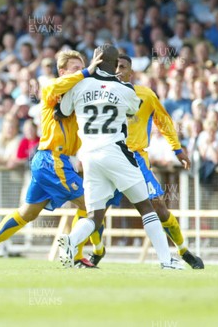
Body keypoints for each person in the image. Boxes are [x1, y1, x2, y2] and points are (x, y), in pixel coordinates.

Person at [0, 50, 103, 268]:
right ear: (62, 71)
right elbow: (58, 87)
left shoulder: (76, 97)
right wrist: (88, 72)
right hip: (52, 159)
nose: (80, 72)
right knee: (92, 206)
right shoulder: (51, 87)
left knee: (27, 213)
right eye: (75, 69)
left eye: (81, 68)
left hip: (51, 160)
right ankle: (78, 254)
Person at [57, 44, 183, 269]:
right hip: (115, 152)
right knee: (145, 206)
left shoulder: (79, 85)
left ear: (95, 59)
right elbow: (132, 110)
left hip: (89, 157)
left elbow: (65, 111)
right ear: (115, 65)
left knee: (95, 215)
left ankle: (72, 240)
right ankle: (167, 261)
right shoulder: (124, 89)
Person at [83, 54, 202, 269]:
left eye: (123, 66)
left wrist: (177, 149)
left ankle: (183, 250)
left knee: (158, 206)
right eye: (115, 66)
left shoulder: (145, 95)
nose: (118, 70)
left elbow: (164, 121)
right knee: (96, 211)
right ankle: (98, 250)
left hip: (136, 158)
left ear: (131, 72)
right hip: (108, 155)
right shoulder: (98, 92)